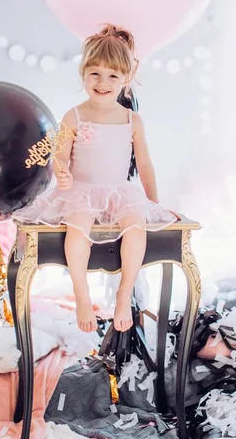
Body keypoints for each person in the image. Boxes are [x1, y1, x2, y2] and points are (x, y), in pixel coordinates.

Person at [14, 24, 179, 333]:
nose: (103, 82)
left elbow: (144, 164)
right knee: (78, 226)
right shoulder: (73, 116)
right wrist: (61, 170)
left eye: (113, 76)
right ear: (83, 73)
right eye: (95, 74)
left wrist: (153, 204)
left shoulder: (132, 120)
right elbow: (60, 154)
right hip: (81, 191)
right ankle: (81, 293)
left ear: (126, 79)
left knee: (135, 225)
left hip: (119, 192)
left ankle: (124, 291)